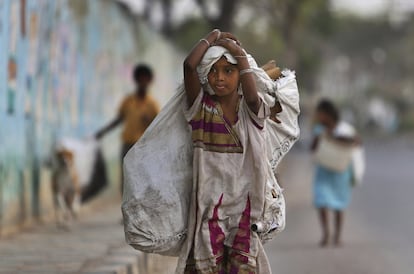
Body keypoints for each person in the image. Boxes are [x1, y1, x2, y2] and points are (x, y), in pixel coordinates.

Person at [176, 29, 285, 274]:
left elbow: (252, 96)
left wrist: (240, 54)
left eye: (228, 70)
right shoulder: (201, 110)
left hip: (244, 215)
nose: (219, 78)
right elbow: (189, 67)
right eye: (213, 70)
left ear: (240, 73)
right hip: (208, 211)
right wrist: (212, 36)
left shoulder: (251, 112)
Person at [95, 64, 159, 193]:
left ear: (149, 81)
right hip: (127, 145)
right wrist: (103, 131)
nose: (143, 82)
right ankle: (126, 207)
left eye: (145, 79)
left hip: (143, 148)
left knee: (141, 179)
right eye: (140, 79)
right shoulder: (128, 100)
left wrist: (149, 121)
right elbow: (119, 119)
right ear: (136, 80)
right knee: (126, 180)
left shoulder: (153, 104)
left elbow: (158, 127)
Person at [310, 99, 359, 247]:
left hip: (340, 172)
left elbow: (356, 142)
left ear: (328, 114)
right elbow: (313, 149)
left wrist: (337, 139)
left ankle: (337, 236)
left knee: (339, 205)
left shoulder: (344, 129)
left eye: (320, 113)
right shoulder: (319, 130)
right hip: (323, 172)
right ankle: (326, 234)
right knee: (321, 202)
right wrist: (321, 138)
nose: (318, 116)